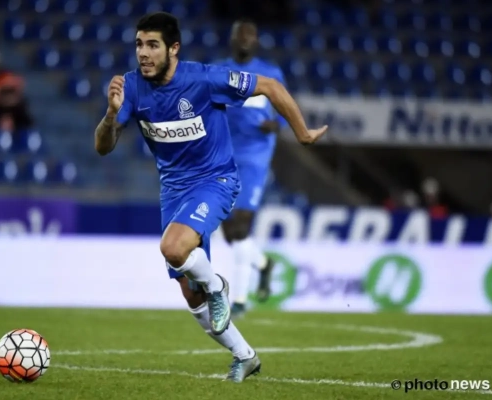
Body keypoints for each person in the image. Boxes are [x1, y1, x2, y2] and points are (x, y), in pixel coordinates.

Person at [94, 12, 327, 383]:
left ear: (173, 49)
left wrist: (301, 132)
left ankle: (218, 286)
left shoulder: (204, 78)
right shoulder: (132, 88)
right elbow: (103, 147)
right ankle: (245, 355)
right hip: (174, 191)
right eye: (139, 44)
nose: (143, 53)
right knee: (190, 293)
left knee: (173, 248)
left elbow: (270, 86)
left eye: (152, 45)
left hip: (216, 180)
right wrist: (110, 116)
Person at [216, 19, 287, 319]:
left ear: (256, 41)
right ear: (232, 39)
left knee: (242, 226)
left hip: (256, 156)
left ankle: (240, 301)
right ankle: (263, 264)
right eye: (240, 34)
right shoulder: (219, 71)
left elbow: (285, 107)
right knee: (229, 233)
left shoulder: (270, 73)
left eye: (250, 34)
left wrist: (278, 123)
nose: (245, 38)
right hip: (223, 155)